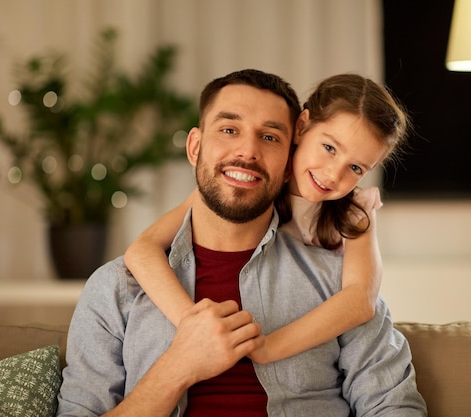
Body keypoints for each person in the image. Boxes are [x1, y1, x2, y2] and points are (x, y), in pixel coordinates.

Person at [57, 69, 426, 416]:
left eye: (269, 137)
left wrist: (267, 348)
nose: (248, 152)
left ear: (288, 156)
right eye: (229, 130)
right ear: (195, 147)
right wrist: (180, 361)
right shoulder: (116, 288)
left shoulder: (337, 276)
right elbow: (142, 248)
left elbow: (392, 401)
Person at [124, 73, 408, 364]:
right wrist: (194, 325)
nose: (334, 174)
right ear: (302, 126)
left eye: (357, 168)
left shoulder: (354, 212)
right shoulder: (252, 183)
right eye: (330, 148)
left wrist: (269, 348)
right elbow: (142, 249)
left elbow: (361, 301)